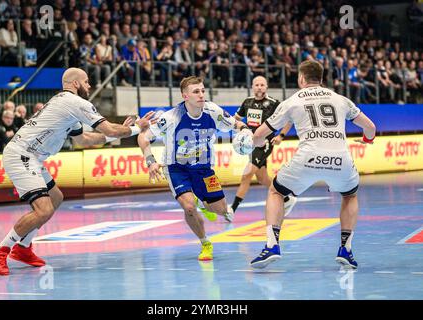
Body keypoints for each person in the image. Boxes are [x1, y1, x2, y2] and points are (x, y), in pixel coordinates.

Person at [0, 68, 155, 276]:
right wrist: (137, 128)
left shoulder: (67, 105)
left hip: (33, 157)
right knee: (43, 209)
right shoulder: (76, 103)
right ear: (76, 83)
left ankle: (23, 248)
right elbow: (110, 129)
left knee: (56, 198)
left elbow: (84, 139)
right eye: (87, 82)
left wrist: (118, 132)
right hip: (21, 155)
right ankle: (1, 249)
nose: (89, 86)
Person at [249, 61, 376, 269]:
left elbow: (259, 135)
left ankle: (272, 245)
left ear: (301, 78)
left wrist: (256, 142)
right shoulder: (340, 99)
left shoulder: (292, 101)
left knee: (276, 191)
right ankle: (346, 249)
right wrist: (367, 140)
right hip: (339, 159)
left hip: (308, 158)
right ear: (321, 78)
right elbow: (370, 127)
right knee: (349, 195)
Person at [137, 76, 252, 261]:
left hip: (204, 169)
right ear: (185, 96)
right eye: (196, 92)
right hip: (177, 169)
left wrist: (245, 129)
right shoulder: (172, 117)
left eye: (203, 91)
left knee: (222, 211)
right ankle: (205, 243)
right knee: (188, 206)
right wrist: (150, 160)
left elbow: (235, 124)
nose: (201, 95)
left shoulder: (212, 110)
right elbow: (143, 137)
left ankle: (203, 204)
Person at [227, 76, 297, 216]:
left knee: (247, 175)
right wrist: (237, 130)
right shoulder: (247, 102)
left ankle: (232, 210)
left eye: (262, 85)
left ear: (266, 87)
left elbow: (289, 120)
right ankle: (287, 198)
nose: (259, 87)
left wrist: (280, 136)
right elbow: (236, 120)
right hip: (251, 144)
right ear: (252, 86)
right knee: (262, 179)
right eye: (257, 84)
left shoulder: (274, 103)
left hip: (265, 143)